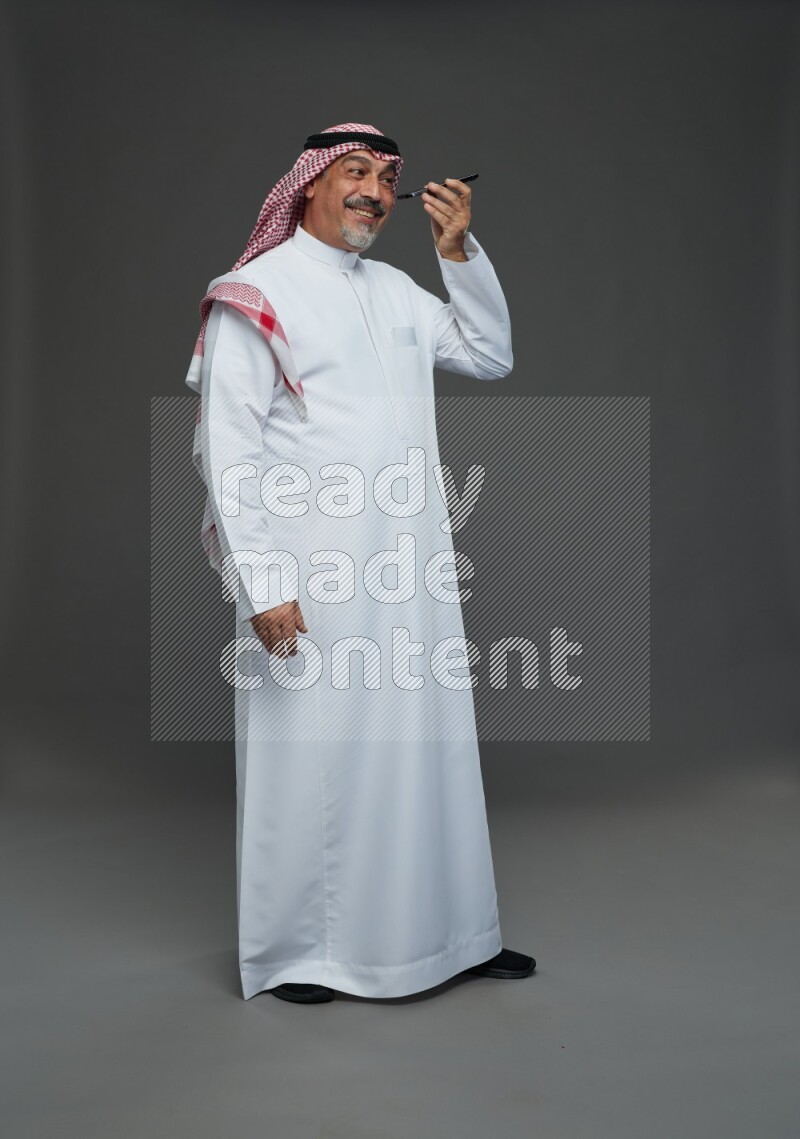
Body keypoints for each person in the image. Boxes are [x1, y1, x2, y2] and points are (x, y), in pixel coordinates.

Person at [185, 123, 536, 1004]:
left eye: (386, 177)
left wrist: (458, 255)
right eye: (354, 173)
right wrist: (262, 585)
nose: (375, 191)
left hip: (409, 570)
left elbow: (491, 356)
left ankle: (454, 935)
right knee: (316, 754)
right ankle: (307, 948)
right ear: (305, 186)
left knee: (428, 750)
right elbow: (230, 449)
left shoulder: (399, 291)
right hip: (315, 575)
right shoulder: (255, 291)